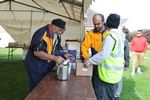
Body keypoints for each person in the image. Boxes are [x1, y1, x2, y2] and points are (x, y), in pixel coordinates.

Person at [25, 18, 72, 92]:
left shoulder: (57, 36)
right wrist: (55, 58)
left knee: (44, 89)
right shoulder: (42, 33)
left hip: (44, 66)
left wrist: (64, 54)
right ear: (53, 26)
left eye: (63, 31)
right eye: (60, 30)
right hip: (35, 66)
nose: (61, 32)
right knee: (36, 90)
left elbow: (55, 50)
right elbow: (37, 52)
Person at [85, 13, 125, 100]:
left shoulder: (111, 36)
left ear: (105, 23)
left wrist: (88, 61)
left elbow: (103, 54)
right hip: (115, 74)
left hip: (107, 76)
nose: (96, 26)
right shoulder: (120, 36)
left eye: (98, 23)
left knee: (104, 97)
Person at [81, 13, 108, 98]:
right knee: (96, 88)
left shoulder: (110, 33)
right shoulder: (91, 33)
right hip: (96, 65)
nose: (96, 26)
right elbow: (84, 46)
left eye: (98, 24)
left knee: (107, 90)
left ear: (103, 22)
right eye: (94, 24)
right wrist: (86, 57)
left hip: (108, 65)